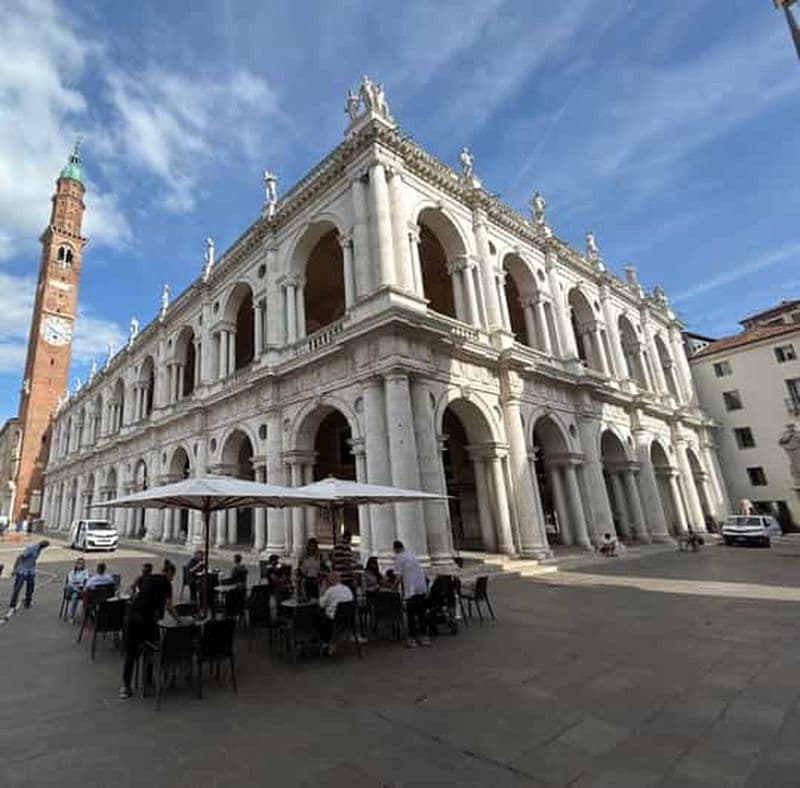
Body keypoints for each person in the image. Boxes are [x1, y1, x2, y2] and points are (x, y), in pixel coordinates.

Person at [120, 560, 178, 700]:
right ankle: (148, 681)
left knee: (130, 654)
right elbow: (169, 606)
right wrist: (179, 619)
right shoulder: (166, 583)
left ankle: (126, 687)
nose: (172, 579)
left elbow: (134, 589)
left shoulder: (147, 578)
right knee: (152, 650)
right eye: (172, 576)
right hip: (147, 620)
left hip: (132, 618)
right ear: (169, 572)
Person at [391, 540, 430, 648]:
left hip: (411, 589)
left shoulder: (399, 558)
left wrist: (392, 588)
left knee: (411, 614)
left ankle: (412, 638)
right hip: (421, 587)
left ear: (396, 549)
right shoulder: (412, 554)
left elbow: (399, 577)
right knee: (421, 613)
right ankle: (424, 637)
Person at [5, 539, 49, 613]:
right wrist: (15, 569)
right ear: (42, 545)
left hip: (30, 570)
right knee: (18, 587)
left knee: (31, 587)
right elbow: (19, 558)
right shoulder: (31, 548)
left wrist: (34, 569)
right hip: (22, 569)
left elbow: (33, 560)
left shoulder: (39, 550)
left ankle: (27, 602)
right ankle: (13, 604)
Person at [317, 571, 354, 656]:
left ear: (330, 581)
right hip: (348, 618)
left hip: (335, 618)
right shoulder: (347, 588)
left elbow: (321, 604)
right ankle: (331, 642)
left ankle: (326, 642)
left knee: (319, 617)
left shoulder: (330, 590)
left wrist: (322, 591)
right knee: (326, 617)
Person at [65, 557, 89, 622]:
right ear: (76, 564)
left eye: (82, 563)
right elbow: (70, 582)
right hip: (71, 590)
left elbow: (85, 580)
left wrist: (77, 582)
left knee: (74, 596)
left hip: (79, 589)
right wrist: (77, 583)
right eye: (78, 563)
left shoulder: (85, 572)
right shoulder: (72, 572)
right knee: (70, 587)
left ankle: (71, 616)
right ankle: (77, 591)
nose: (80, 565)